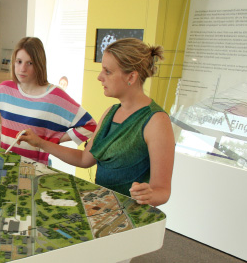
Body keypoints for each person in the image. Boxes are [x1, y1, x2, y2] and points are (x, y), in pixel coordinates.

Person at [18, 38, 174, 207]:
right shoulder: (111, 112)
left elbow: (162, 191)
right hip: (103, 207)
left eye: (107, 71)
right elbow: (85, 159)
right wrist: (41, 143)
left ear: (131, 76)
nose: (100, 77)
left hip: (130, 216)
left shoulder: (156, 121)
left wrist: (149, 195)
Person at [0, 37, 97, 164]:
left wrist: (53, 141)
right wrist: (1, 130)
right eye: (19, 61)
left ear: (39, 64)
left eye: (30, 63)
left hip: (35, 169)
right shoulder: (4, 89)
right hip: (7, 164)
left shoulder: (55, 96)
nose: (22, 69)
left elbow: (91, 126)